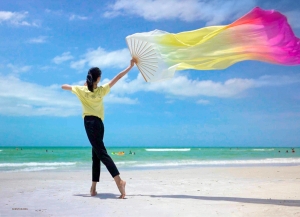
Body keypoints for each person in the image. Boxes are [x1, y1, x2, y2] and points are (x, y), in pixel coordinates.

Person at [61, 58, 136, 199]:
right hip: (100, 125)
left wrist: (81, 85)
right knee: (96, 154)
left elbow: (63, 86)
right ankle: (93, 188)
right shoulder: (101, 91)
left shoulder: (81, 90)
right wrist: (130, 66)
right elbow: (118, 77)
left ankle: (119, 181)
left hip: (89, 123)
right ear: (99, 78)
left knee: (101, 153)